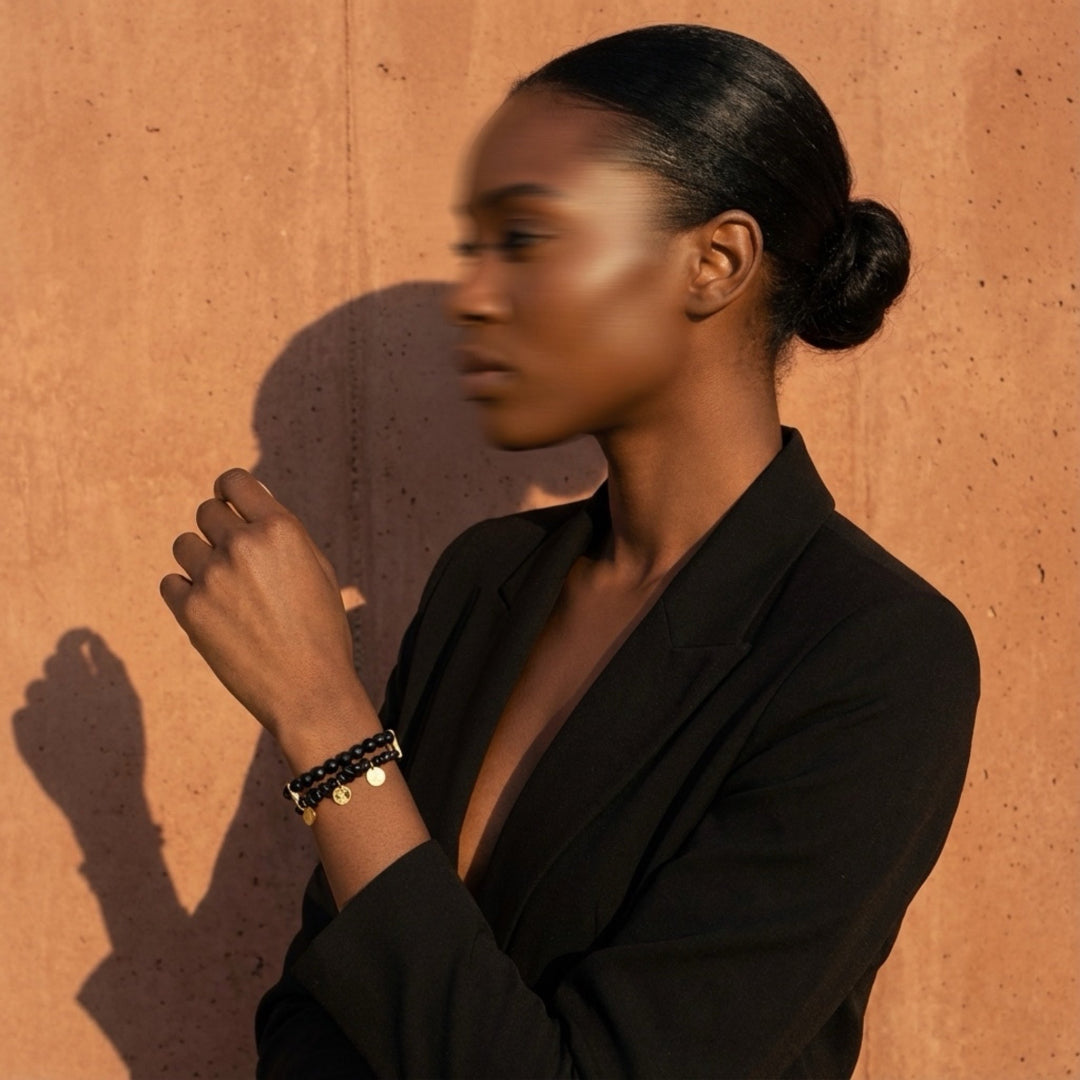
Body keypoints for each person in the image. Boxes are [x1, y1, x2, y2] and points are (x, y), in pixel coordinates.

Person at [161, 24, 979, 1079]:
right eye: (476, 248)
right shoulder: (484, 580)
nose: (477, 294)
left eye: (529, 239)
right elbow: (319, 1002)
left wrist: (323, 717)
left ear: (715, 261)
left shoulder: (875, 656)